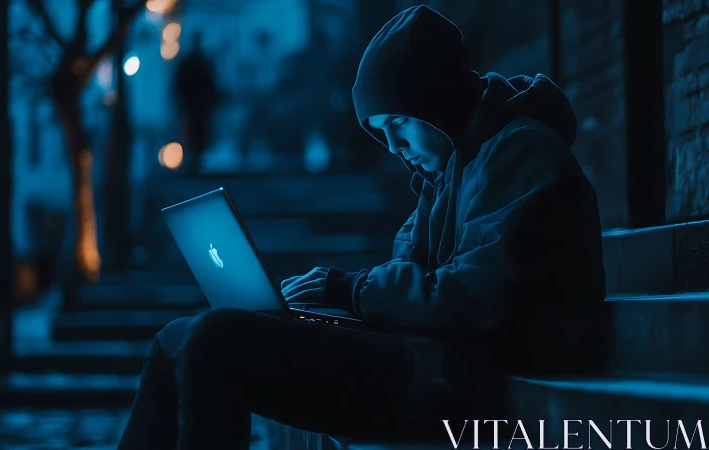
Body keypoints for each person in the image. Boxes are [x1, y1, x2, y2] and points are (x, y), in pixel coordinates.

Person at [118, 5, 606, 449]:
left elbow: (474, 298)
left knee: (213, 341)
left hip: (468, 376)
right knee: (175, 338)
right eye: (379, 131)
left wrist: (348, 290)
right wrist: (318, 309)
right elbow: (411, 284)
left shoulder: (520, 152)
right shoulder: (447, 174)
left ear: (435, 98)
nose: (392, 145)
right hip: (429, 354)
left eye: (397, 122)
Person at [174, 32, 220, 174]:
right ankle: (194, 161)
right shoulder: (197, 62)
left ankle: (195, 161)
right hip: (194, 106)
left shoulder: (198, 62)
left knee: (197, 134)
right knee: (194, 134)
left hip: (197, 106)